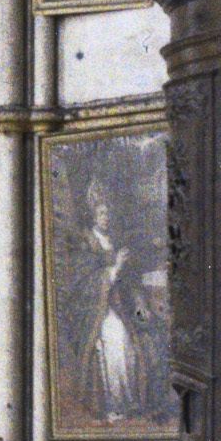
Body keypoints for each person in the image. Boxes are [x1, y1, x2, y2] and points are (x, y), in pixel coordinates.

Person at [76, 179, 147, 422]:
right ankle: (115, 405)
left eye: (108, 213)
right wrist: (115, 266)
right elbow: (86, 281)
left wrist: (139, 302)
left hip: (117, 305)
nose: (106, 217)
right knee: (116, 339)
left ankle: (130, 402)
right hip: (96, 310)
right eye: (101, 213)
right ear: (93, 216)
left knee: (131, 342)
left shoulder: (114, 241)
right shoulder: (87, 241)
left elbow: (128, 281)